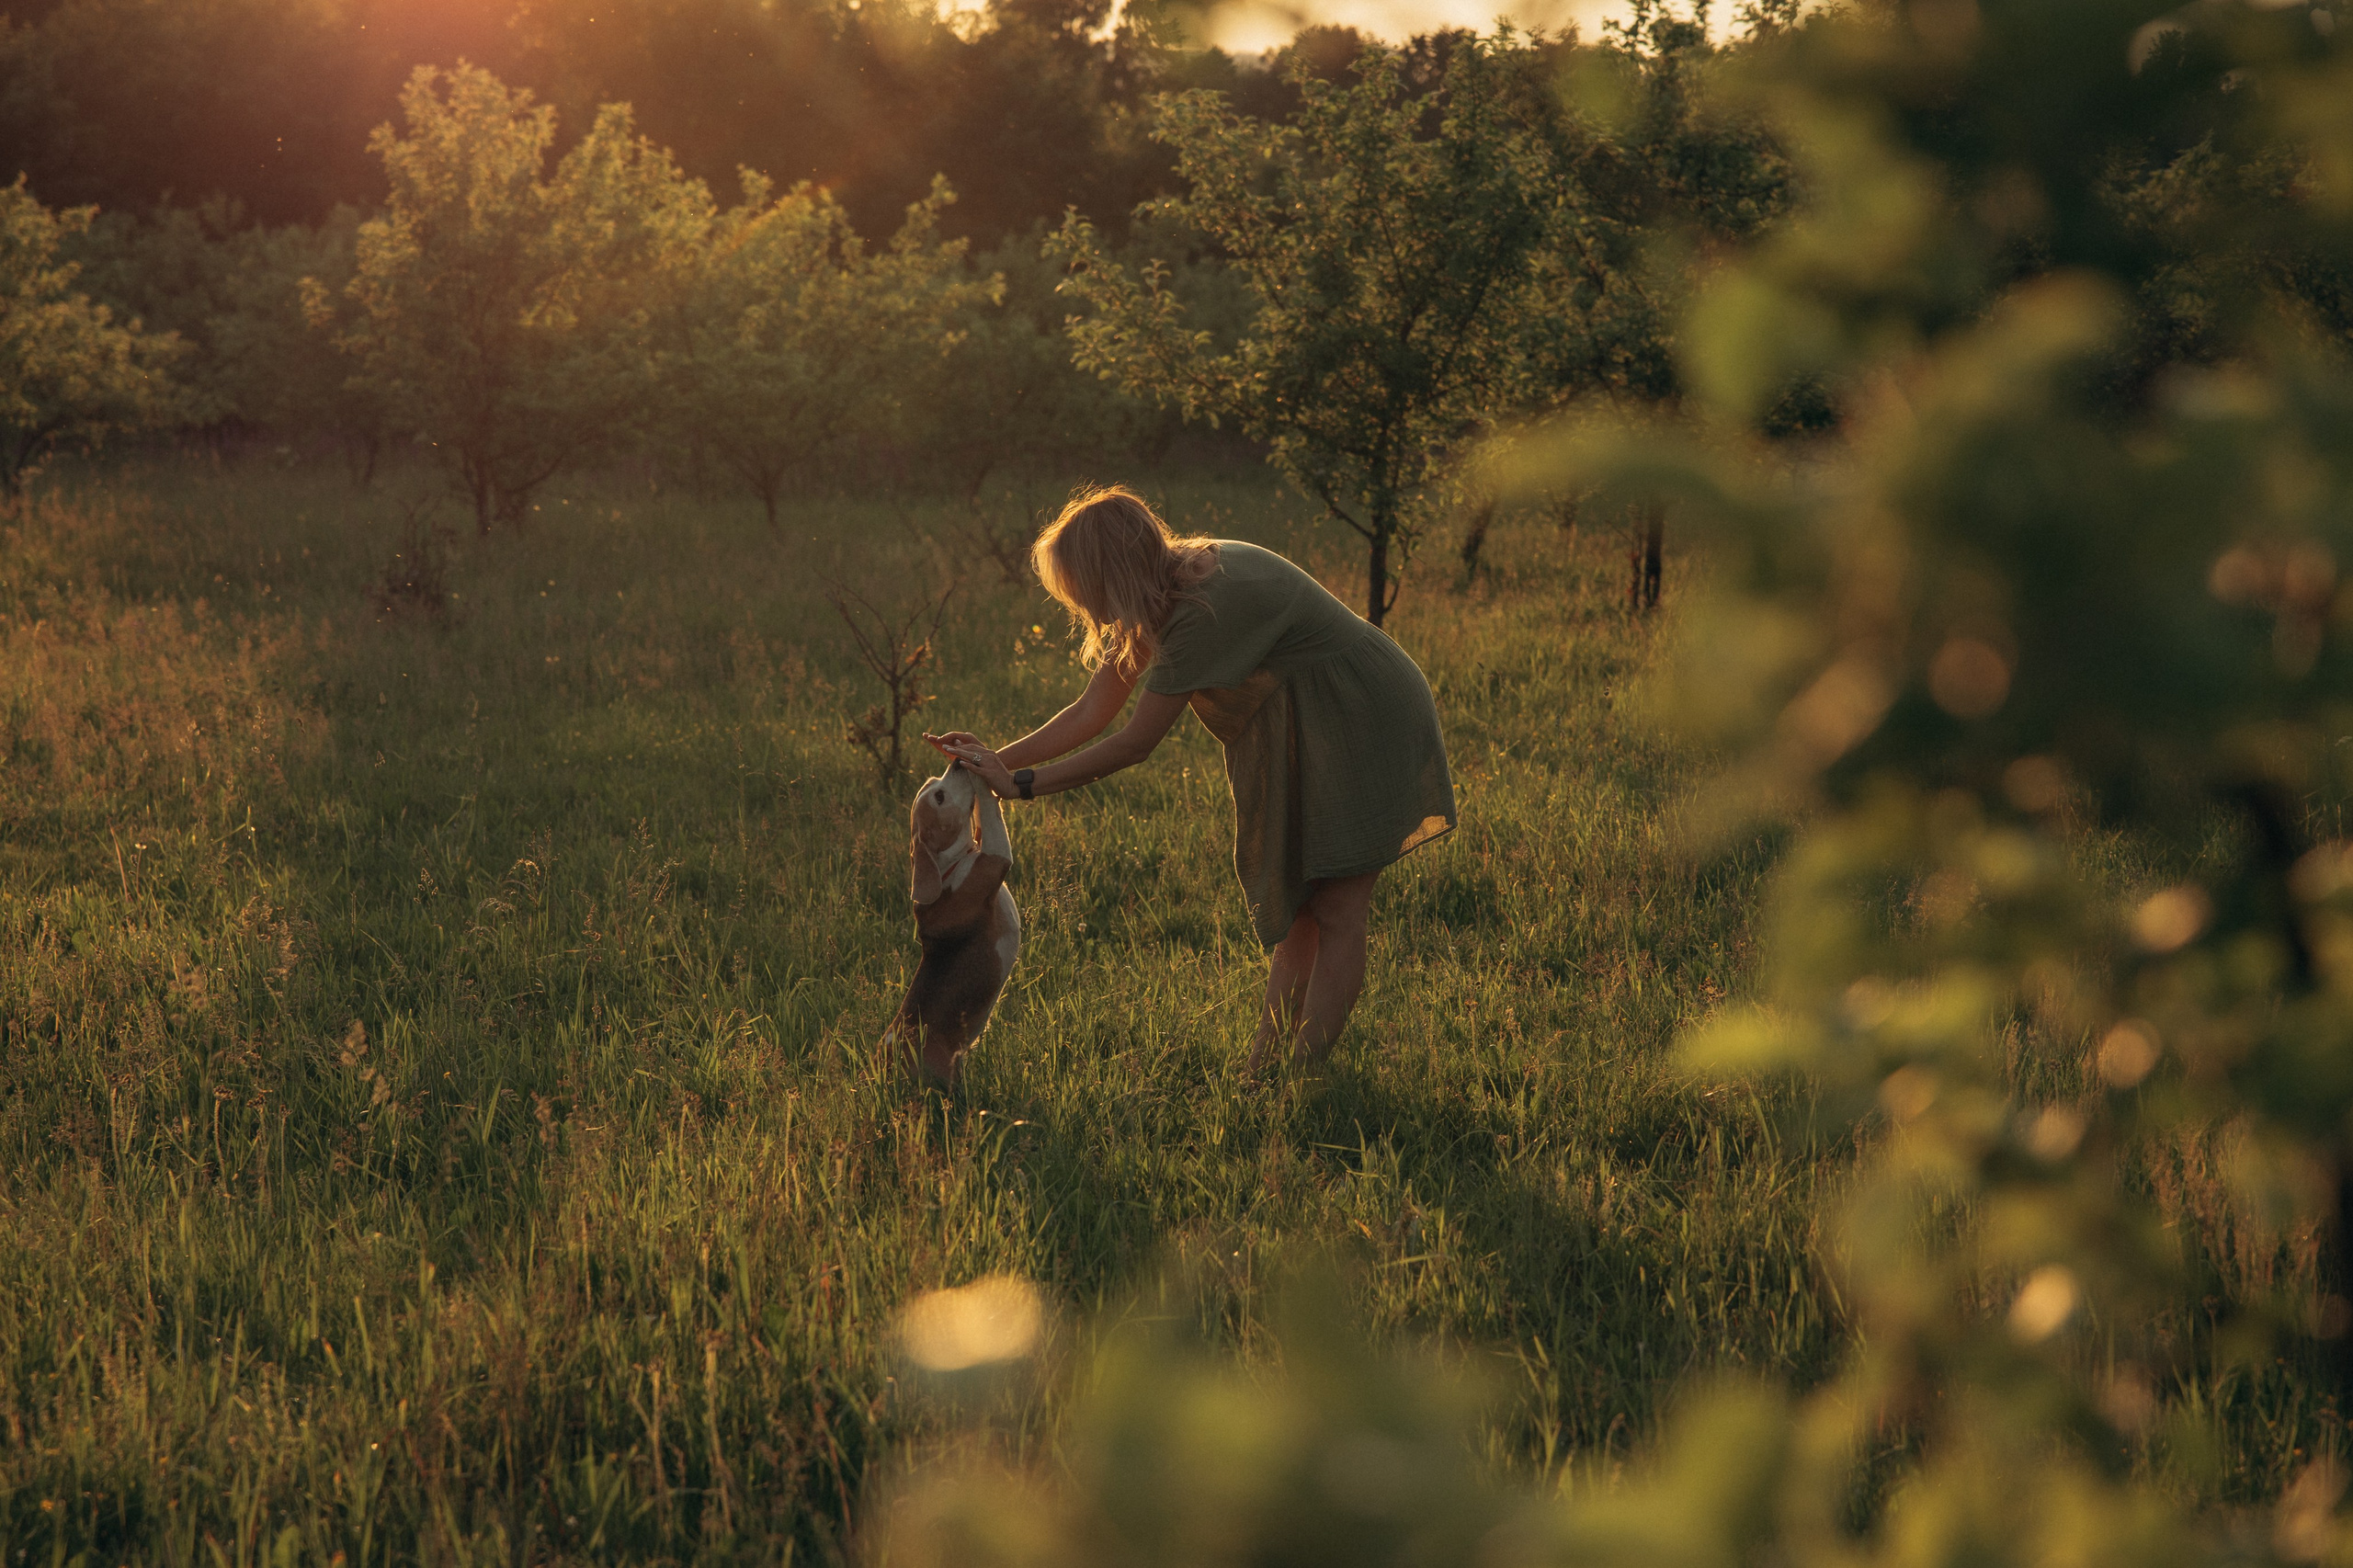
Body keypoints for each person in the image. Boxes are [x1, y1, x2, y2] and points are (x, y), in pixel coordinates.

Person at [928, 484, 1455, 1071]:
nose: (1082, 606)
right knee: (1304, 907)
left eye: (1083, 589)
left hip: (1363, 711)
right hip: (1308, 717)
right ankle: (1266, 1070)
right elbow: (1091, 711)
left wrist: (1022, 784)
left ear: (1112, 573)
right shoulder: (1163, 588)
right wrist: (991, 763)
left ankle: (1303, 1077)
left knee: (1338, 907)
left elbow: (1134, 743)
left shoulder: (1202, 608)